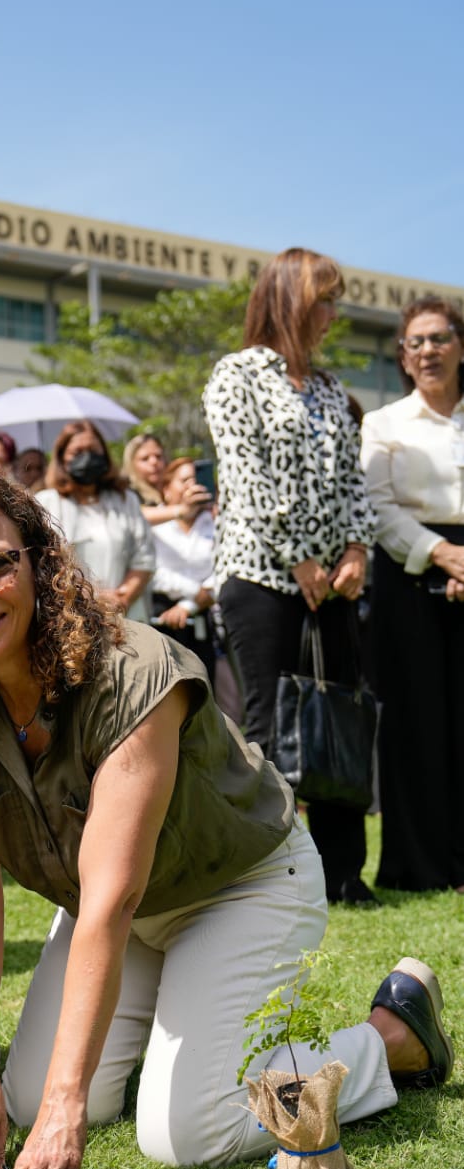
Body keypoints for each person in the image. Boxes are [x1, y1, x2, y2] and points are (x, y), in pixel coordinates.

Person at [0, 474, 452, 1169]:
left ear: (39, 565)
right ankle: (184, 1036)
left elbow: (111, 899)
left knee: (185, 1132)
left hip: (239, 885)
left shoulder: (134, 671)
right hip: (121, 909)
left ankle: (388, 1039)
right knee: (21, 1100)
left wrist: (66, 1106)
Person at [203, 247, 376, 907]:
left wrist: (356, 548)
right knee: (270, 722)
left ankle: (343, 872)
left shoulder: (329, 389)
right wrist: (299, 556)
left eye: (334, 300)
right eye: (323, 299)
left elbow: (352, 481)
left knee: (339, 716)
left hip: (334, 580)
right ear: (289, 301)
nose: (332, 313)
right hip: (259, 573)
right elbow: (245, 476)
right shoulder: (237, 375)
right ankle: (271, 870)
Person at [361, 297, 464, 892]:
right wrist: (442, 554)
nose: (428, 351)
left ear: (460, 346)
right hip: (407, 571)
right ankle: (419, 867)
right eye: (415, 342)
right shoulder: (383, 423)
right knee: (414, 721)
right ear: (403, 356)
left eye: (440, 338)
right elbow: (377, 506)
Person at [37, 420, 156, 621]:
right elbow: (45, 563)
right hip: (71, 616)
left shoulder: (125, 500)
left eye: (93, 450)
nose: (87, 458)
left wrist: (123, 598)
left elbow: (144, 558)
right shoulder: (47, 502)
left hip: (126, 615)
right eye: (77, 452)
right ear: (62, 458)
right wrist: (92, 598)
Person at [148, 455, 216, 677]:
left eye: (196, 479)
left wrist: (189, 605)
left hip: (203, 615)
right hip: (161, 616)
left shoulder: (215, 521)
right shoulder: (154, 524)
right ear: (167, 489)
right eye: (185, 480)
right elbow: (151, 569)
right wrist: (194, 590)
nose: (192, 485)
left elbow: (222, 568)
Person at [121, 433, 211, 526]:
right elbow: (134, 515)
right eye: (145, 458)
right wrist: (182, 510)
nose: (154, 462)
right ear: (131, 464)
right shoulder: (126, 493)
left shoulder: (175, 487)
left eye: (158, 456)